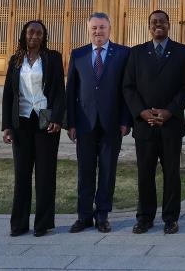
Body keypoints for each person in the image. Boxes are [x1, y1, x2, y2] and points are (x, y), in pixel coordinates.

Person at [123, 10, 185, 235]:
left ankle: (171, 218)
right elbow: (128, 87)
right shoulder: (136, 53)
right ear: (149, 26)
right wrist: (141, 112)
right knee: (145, 172)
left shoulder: (182, 52)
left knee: (172, 173)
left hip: (170, 124)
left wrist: (169, 111)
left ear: (169, 25)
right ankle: (144, 217)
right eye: (154, 22)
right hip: (144, 125)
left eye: (162, 21)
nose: (158, 25)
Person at [65, 12, 131, 234]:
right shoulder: (79, 54)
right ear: (88, 29)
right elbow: (71, 91)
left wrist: (125, 120)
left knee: (107, 171)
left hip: (112, 124)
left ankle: (102, 215)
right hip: (84, 124)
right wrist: (70, 123)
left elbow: (126, 91)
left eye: (102, 27)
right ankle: (83, 216)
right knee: (85, 171)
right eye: (94, 27)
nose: (98, 31)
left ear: (109, 29)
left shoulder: (123, 53)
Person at [1, 20, 65, 237]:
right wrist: (7, 126)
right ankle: (19, 224)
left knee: (46, 174)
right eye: (31, 32)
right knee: (22, 175)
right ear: (24, 35)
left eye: (38, 33)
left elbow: (59, 90)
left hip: (45, 116)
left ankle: (43, 224)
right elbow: (8, 94)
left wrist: (57, 117)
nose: (34, 36)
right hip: (22, 120)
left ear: (44, 36)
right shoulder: (15, 60)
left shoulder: (53, 58)